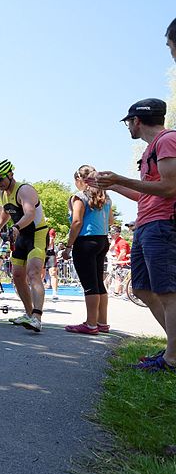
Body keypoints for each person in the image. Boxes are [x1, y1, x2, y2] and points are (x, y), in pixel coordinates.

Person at [92, 98, 176, 371]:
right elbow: (146, 193)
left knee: (167, 291)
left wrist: (122, 179)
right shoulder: (153, 148)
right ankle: (174, 347)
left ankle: (172, 359)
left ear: (136, 121)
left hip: (163, 224)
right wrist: (114, 184)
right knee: (142, 288)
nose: (128, 127)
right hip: (146, 224)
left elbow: (169, 188)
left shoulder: (166, 140)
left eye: (128, 122)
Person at [0, 159, 48, 332]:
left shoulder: (24, 190)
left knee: (33, 273)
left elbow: (29, 214)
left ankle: (37, 317)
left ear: (10, 175)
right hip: (21, 236)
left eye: (0, 179)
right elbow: (7, 214)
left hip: (36, 233)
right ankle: (29, 314)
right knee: (16, 275)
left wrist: (15, 227)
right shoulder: (3, 193)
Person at [62, 165, 112, 334]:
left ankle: (91, 324)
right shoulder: (105, 197)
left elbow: (77, 222)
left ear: (79, 180)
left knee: (90, 284)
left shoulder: (79, 197)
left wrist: (68, 246)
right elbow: (111, 221)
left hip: (85, 242)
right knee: (98, 282)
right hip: (102, 240)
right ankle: (102, 322)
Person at [44, 227, 59, 301]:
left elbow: (51, 241)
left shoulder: (51, 230)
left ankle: (54, 293)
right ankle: (38, 291)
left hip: (50, 253)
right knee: (40, 274)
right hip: (41, 252)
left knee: (53, 272)